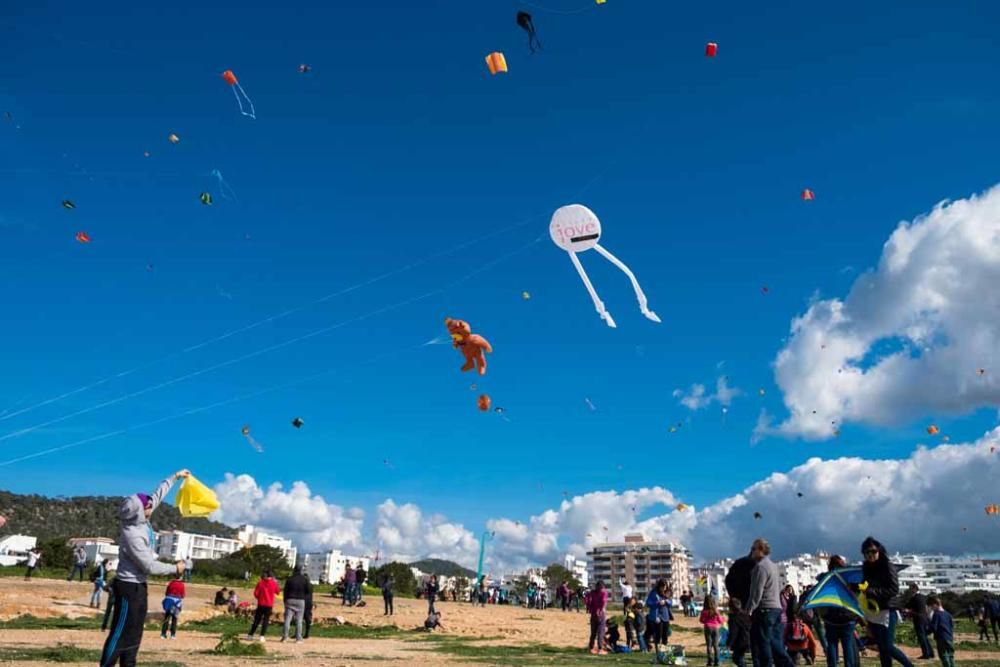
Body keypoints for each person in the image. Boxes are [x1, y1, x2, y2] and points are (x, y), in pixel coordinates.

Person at [100, 469, 189, 667]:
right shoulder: (132, 534)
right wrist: (175, 569)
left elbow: (158, 494)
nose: (152, 507)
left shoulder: (142, 518)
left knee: (134, 634)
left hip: (139, 587)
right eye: (148, 506)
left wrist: (175, 477)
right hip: (127, 587)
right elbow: (148, 565)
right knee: (120, 632)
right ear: (139, 511)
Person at [861, 536, 913, 667]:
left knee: (888, 646)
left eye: (873, 551)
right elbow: (865, 585)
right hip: (873, 611)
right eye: (867, 552)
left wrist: (871, 591)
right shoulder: (866, 568)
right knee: (882, 648)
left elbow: (893, 589)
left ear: (879, 550)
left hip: (888, 610)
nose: (870, 554)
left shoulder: (888, 566)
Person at [746, 538, 793, 667]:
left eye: (753, 548)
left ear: (761, 550)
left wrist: (748, 610)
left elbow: (756, 592)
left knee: (764, 643)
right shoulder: (773, 566)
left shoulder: (760, 567)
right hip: (776, 609)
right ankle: (787, 664)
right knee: (775, 643)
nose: (751, 551)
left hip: (764, 609)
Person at [821, 555, 858, 667]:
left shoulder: (826, 578)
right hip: (847, 617)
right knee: (847, 646)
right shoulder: (848, 578)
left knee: (832, 645)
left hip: (831, 617)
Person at [247, 569, 281, 642]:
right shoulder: (274, 583)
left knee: (257, 619)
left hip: (261, 603)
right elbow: (278, 592)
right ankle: (262, 636)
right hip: (269, 604)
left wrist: (259, 598)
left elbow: (256, 593)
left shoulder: (260, 583)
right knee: (266, 620)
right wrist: (276, 583)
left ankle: (250, 634)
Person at [281, 564, 312, 643]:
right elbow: (308, 590)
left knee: (287, 619)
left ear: (294, 570)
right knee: (299, 620)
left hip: (290, 599)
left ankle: (285, 637)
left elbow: (285, 591)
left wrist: (285, 600)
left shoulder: (290, 579)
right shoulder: (305, 579)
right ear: (301, 570)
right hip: (300, 600)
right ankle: (298, 638)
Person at [905, 583, 934, 659]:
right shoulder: (922, 597)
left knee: (922, 637)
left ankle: (926, 654)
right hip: (924, 619)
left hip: (918, 619)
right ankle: (930, 652)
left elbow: (908, 606)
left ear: (914, 589)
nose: (909, 591)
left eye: (910, 589)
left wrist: (909, 612)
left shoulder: (914, 598)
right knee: (925, 636)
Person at [645, 578, 673, 657]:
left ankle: (664, 654)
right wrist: (657, 603)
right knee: (658, 636)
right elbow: (648, 603)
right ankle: (658, 653)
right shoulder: (653, 593)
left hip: (666, 617)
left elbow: (671, 603)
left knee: (665, 636)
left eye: (665, 587)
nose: (664, 589)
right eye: (662, 587)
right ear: (659, 586)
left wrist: (666, 601)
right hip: (657, 617)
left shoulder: (667, 593)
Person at [927, 596, 954, 667]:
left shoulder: (936, 614)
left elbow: (933, 627)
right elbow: (951, 626)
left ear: (935, 604)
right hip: (949, 637)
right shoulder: (948, 614)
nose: (932, 608)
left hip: (941, 638)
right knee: (950, 655)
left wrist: (926, 632)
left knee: (944, 655)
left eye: (932, 606)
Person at [701, 594, 726, 666]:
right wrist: (723, 618)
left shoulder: (704, 611)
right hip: (716, 628)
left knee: (709, 645)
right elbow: (720, 621)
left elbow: (701, 620)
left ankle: (710, 661)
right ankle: (717, 661)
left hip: (707, 627)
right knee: (716, 645)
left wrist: (706, 620)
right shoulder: (716, 611)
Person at [161, 572, 185, 640]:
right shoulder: (181, 584)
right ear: (181, 577)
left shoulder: (171, 583)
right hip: (176, 603)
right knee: (174, 619)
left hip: (169, 601)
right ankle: (173, 635)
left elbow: (166, 593)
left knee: (166, 618)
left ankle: (163, 634)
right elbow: (183, 595)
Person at [587, 580, 609, 655]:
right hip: (600, 614)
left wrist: (590, 609)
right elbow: (603, 602)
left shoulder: (592, 593)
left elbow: (588, 602)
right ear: (603, 586)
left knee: (593, 633)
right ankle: (600, 649)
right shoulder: (604, 592)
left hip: (593, 614)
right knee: (601, 632)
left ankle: (591, 648)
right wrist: (601, 610)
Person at [728, 599, 752, 667]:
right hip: (747, 639)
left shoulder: (733, 618)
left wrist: (729, 643)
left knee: (737, 658)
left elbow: (733, 632)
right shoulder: (745, 615)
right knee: (739, 657)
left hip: (739, 641)